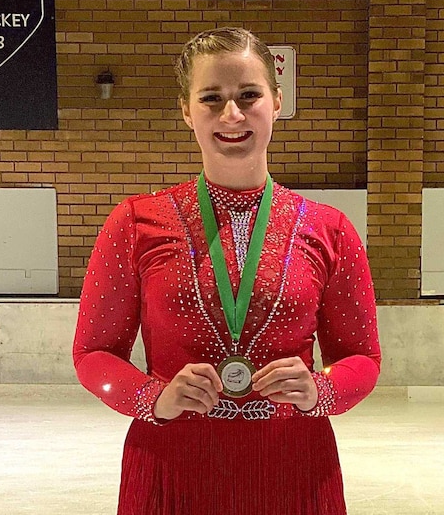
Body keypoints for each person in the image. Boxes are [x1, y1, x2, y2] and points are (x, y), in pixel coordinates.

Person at [73, 27, 381, 515]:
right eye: (211, 98)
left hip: (292, 470)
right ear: (186, 110)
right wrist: (152, 398)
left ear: (277, 102)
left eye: (248, 95)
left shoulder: (331, 230)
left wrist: (321, 390)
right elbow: (93, 353)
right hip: (173, 468)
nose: (231, 114)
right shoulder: (135, 222)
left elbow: (362, 357)